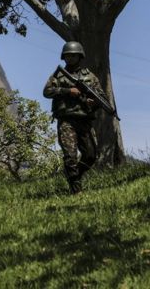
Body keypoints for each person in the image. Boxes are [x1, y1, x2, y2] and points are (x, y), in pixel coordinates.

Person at [43, 41, 106, 194]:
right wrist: (67, 91)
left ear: (80, 56)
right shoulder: (58, 75)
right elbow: (47, 92)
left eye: (73, 56)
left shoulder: (90, 77)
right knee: (70, 155)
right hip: (66, 120)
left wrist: (94, 102)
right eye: (67, 56)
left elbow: (102, 97)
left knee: (91, 155)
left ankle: (74, 175)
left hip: (85, 120)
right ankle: (75, 189)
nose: (70, 58)